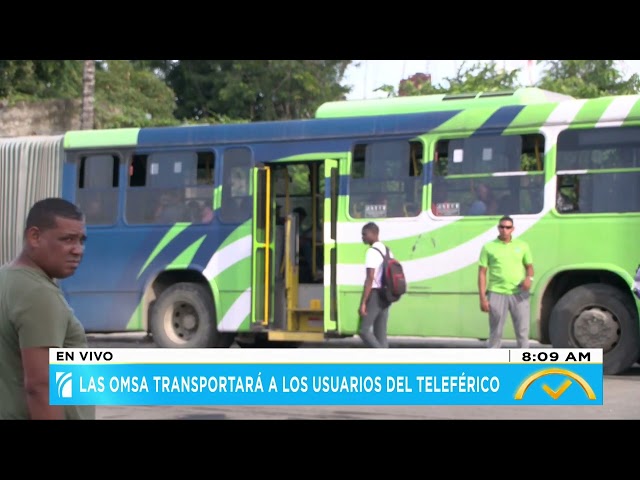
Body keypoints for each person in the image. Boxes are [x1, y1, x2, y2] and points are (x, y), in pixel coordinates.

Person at [0, 198, 95, 420]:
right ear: (35, 237)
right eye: (68, 239)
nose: (78, 250)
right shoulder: (39, 293)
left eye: (82, 240)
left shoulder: (6, 278)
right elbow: (41, 386)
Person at [478, 216, 534, 349]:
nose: (504, 230)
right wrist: (482, 299)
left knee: (522, 332)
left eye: (508, 227)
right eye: (502, 227)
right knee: (495, 333)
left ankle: (525, 364)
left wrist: (529, 279)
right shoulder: (488, 247)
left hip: (519, 293)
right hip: (497, 293)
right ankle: (493, 365)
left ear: (512, 229)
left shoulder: (522, 246)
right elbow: (482, 273)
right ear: (498, 228)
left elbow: (530, 268)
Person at [359, 222, 393, 348]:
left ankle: (382, 356)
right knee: (380, 333)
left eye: (365, 234)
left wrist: (363, 302)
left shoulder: (372, 252)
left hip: (375, 295)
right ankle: (386, 364)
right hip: (386, 295)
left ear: (374, 234)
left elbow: (370, 278)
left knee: (364, 330)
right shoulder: (387, 250)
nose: (363, 237)